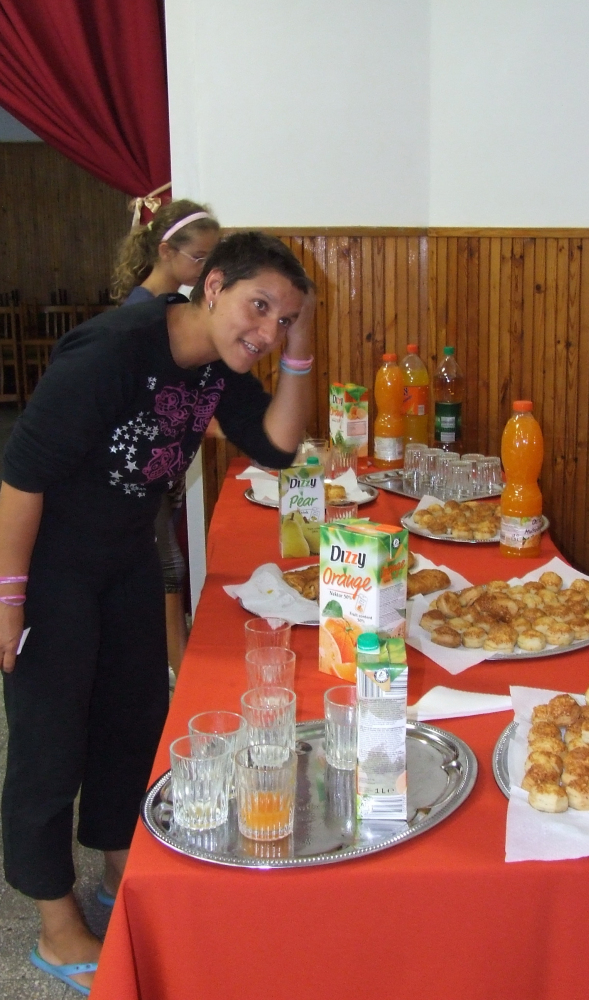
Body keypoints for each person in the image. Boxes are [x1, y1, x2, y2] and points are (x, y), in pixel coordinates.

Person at [0, 231, 316, 995]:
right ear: (212, 287)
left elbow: (278, 445)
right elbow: (20, 476)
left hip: (126, 560)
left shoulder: (215, 365)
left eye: (283, 319)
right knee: (49, 742)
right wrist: (9, 600)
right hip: (50, 568)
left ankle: (121, 866)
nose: (267, 332)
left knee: (132, 721)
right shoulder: (113, 352)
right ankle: (55, 925)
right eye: (259, 307)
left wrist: (302, 343)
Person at [113, 201, 221, 679]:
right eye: (199, 257)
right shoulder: (142, 314)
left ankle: (175, 664)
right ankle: (178, 670)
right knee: (168, 567)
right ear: (165, 251)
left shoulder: (174, 308)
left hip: (163, 467)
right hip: (140, 468)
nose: (206, 268)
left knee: (168, 566)